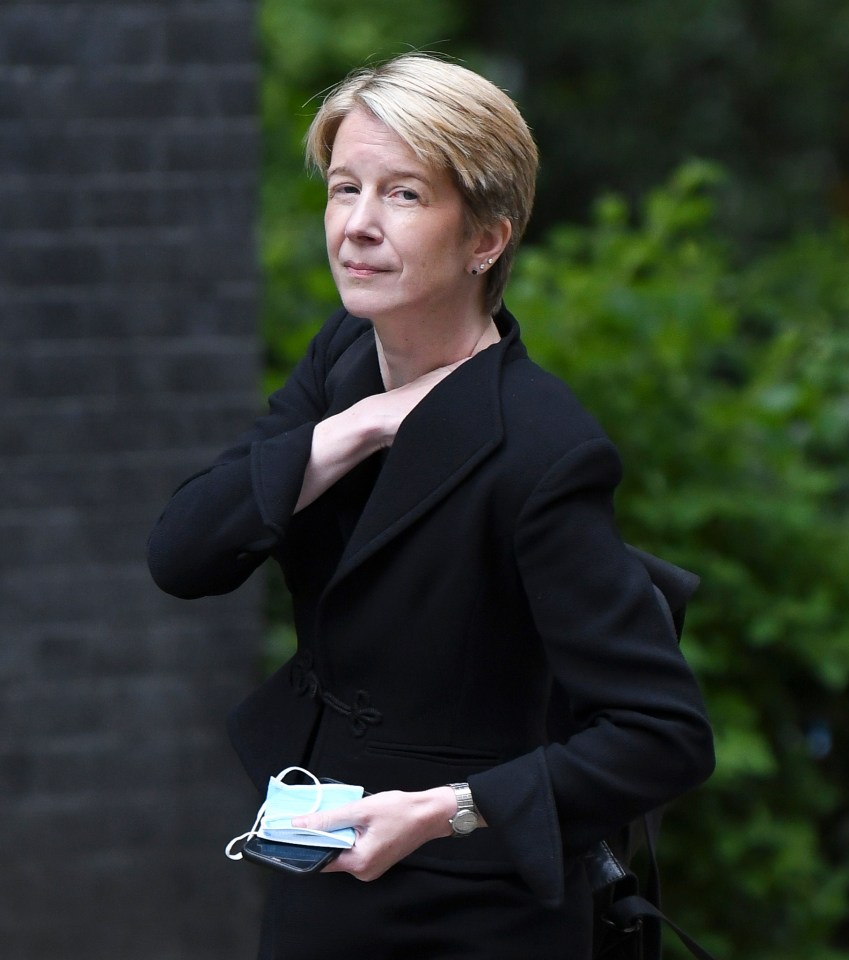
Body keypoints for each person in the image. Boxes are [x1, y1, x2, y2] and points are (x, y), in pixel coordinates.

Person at [147, 53, 714, 960]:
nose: (357, 226)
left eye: (403, 196)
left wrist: (446, 813)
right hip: (320, 869)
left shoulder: (541, 446)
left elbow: (662, 738)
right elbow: (184, 555)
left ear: (486, 237)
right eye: (343, 189)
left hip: (470, 910)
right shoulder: (343, 357)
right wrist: (355, 428)